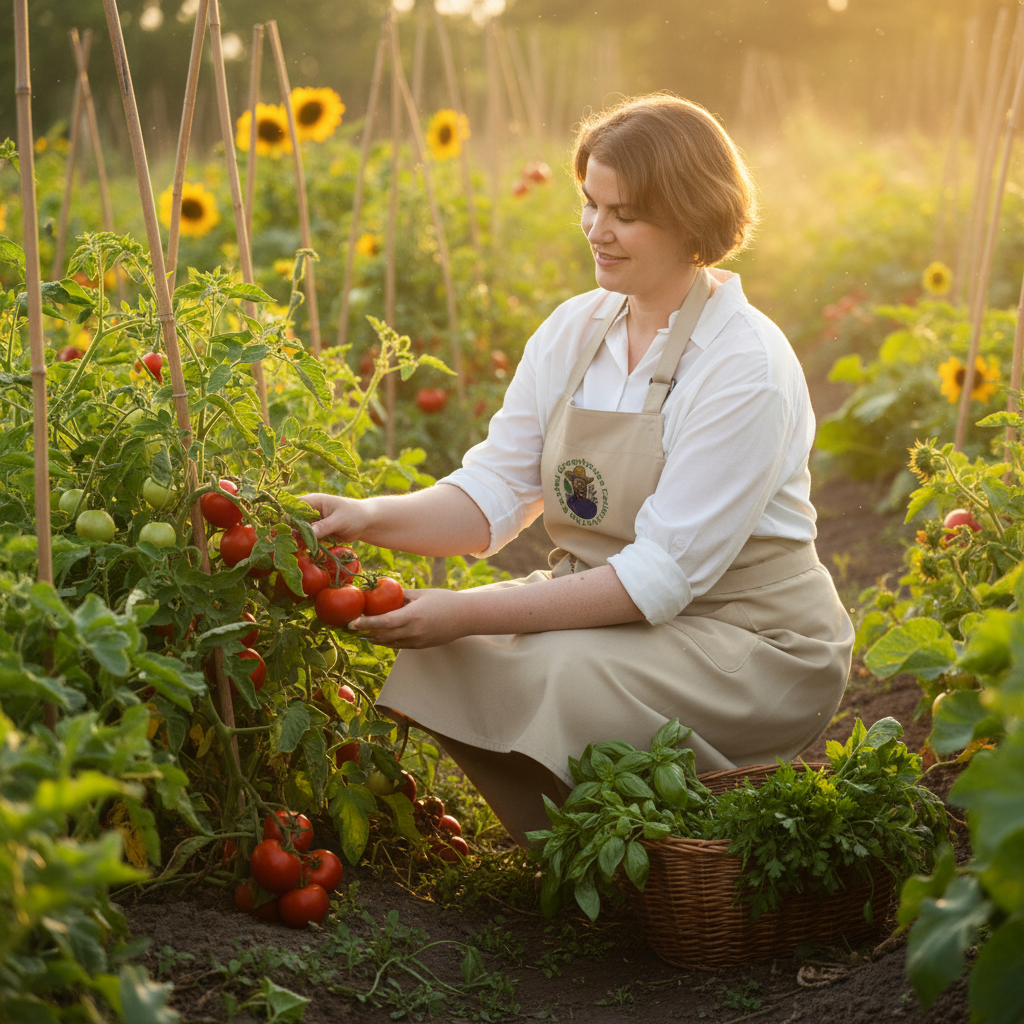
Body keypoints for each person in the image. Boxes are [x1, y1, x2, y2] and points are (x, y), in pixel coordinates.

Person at [302, 93, 854, 848]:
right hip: (619, 612)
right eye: (589, 204)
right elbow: (494, 494)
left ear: (693, 218)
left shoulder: (742, 364)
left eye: (624, 214)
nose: (597, 230)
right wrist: (366, 515)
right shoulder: (574, 330)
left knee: (549, 664)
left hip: (751, 642)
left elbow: (658, 579)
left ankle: (661, 852)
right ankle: (586, 853)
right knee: (459, 655)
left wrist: (462, 609)